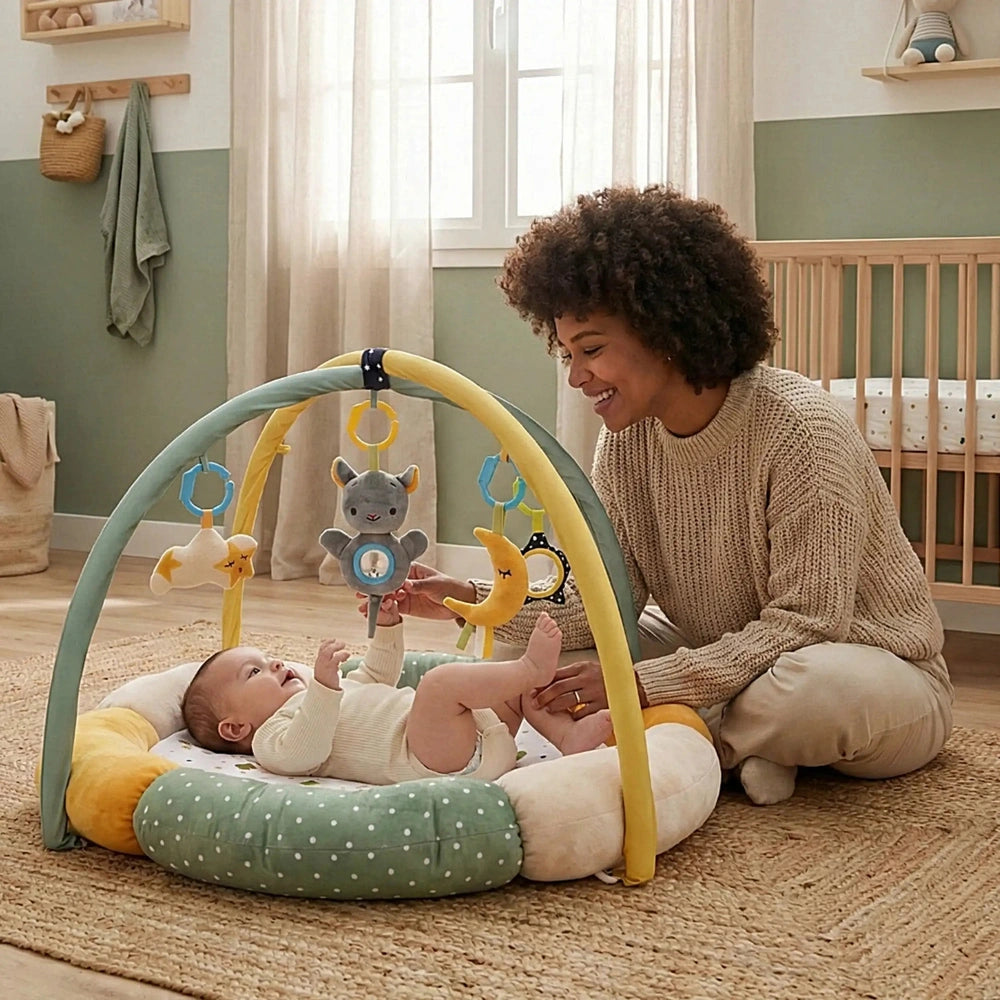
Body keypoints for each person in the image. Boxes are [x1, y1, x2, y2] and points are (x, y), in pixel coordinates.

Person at [394, 183, 953, 806]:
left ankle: (691, 738)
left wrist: (638, 685)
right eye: (568, 354)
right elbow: (605, 599)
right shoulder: (627, 442)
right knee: (535, 649)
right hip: (720, 651)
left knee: (810, 692)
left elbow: (808, 625)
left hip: (864, 666)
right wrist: (471, 600)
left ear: (665, 330)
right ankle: (736, 746)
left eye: (592, 350)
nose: (576, 377)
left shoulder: (801, 431)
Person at [180, 601, 612, 785]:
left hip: (474, 735)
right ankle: (529, 667)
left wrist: (387, 625)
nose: (275, 664)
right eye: (254, 671)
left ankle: (566, 737)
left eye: (269, 657)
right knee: (439, 684)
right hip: (425, 760)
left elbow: (378, 672)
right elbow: (305, 752)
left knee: (516, 692)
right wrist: (324, 688)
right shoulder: (272, 738)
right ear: (235, 727)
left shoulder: (336, 692)